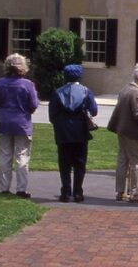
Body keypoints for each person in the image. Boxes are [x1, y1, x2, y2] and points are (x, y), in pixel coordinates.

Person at [0, 53, 39, 198]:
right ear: (23, 67)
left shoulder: (0, 83)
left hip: (4, 122)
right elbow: (34, 104)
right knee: (22, 156)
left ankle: (4, 187)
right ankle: (21, 189)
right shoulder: (27, 85)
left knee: (5, 156)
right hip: (22, 123)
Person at [48, 64, 98, 203]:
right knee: (80, 163)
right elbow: (93, 110)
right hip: (80, 131)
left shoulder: (57, 92)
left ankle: (65, 191)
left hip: (63, 131)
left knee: (64, 163)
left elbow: (52, 115)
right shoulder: (86, 91)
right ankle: (78, 192)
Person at [107, 63, 138, 203]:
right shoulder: (137, 92)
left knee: (122, 160)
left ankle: (120, 192)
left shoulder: (125, 89)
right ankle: (135, 193)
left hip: (122, 130)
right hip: (132, 132)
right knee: (136, 162)